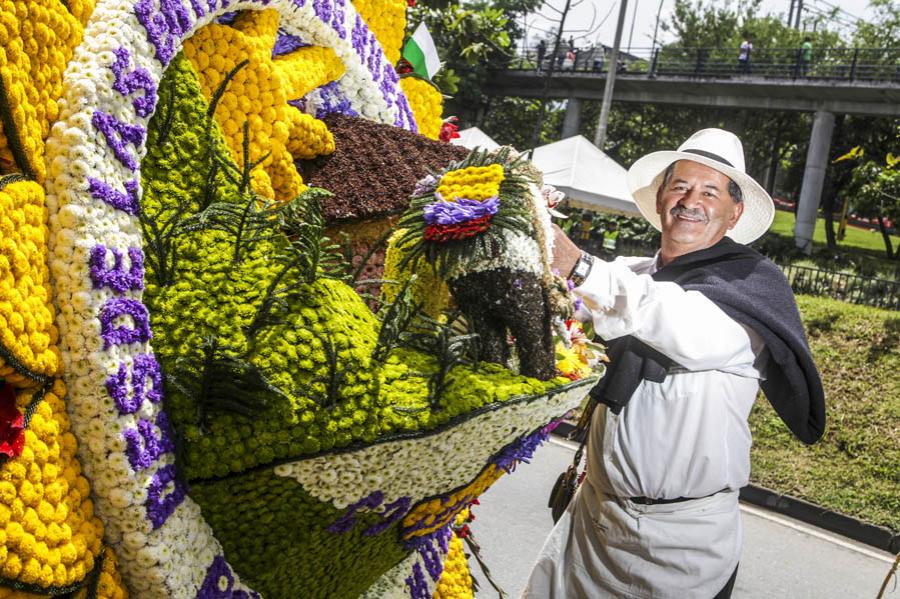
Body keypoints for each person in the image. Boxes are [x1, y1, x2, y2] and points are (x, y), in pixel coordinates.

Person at [522, 128, 825, 598]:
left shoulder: (749, 289)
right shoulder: (633, 274)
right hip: (591, 521)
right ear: (660, 195)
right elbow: (557, 315)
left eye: (709, 191)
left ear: (734, 212)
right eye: (680, 186)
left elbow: (677, 322)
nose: (690, 201)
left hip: (682, 544)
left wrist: (580, 267)